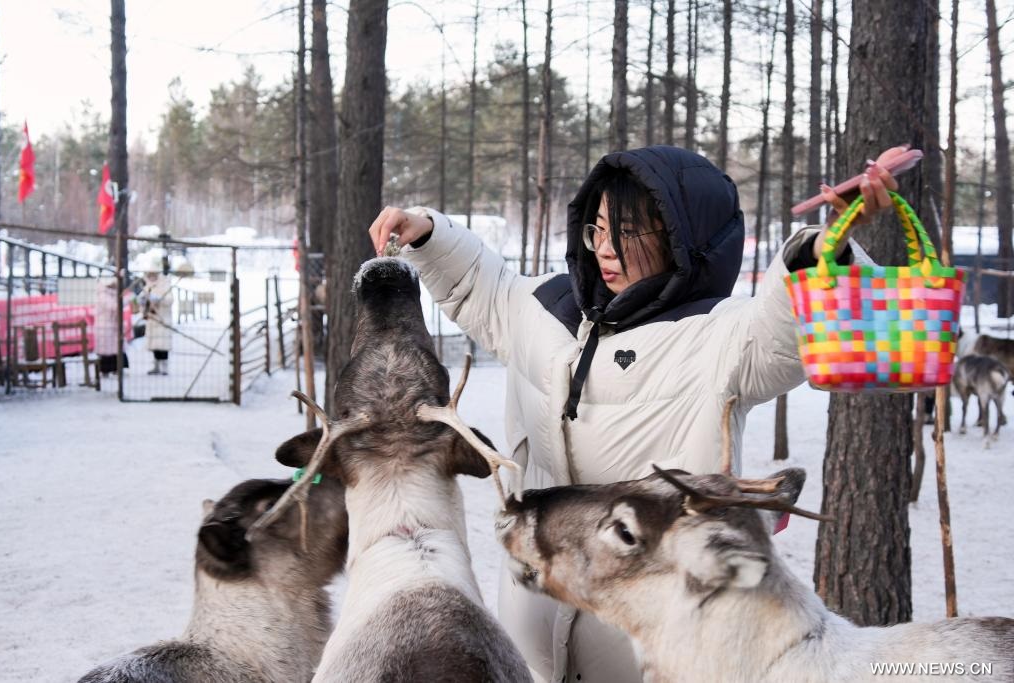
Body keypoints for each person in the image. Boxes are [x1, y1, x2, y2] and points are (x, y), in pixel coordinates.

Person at [368, 144, 901, 683]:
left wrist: (824, 250)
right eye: (596, 228)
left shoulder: (723, 339)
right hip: (537, 605)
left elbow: (794, 323)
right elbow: (480, 285)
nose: (605, 248)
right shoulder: (547, 310)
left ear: (680, 238)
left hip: (653, 639)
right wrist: (427, 234)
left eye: (628, 233)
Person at [138, 265, 174, 376]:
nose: (151, 277)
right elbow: (142, 301)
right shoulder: (147, 287)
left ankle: (164, 366)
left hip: (162, 319)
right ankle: (156, 366)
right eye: (149, 275)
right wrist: (143, 302)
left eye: (153, 275)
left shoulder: (165, 286)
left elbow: (170, 300)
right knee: (155, 345)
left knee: (163, 345)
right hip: (152, 318)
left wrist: (158, 299)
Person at [93, 276, 129, 376]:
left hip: (113, 326)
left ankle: (117, 368)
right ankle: (106, 369)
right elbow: (114, 306)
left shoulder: (113, 294)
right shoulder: (103, 294)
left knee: (116, 348)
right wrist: (127, 299)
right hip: (105, 327)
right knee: (107, 350)